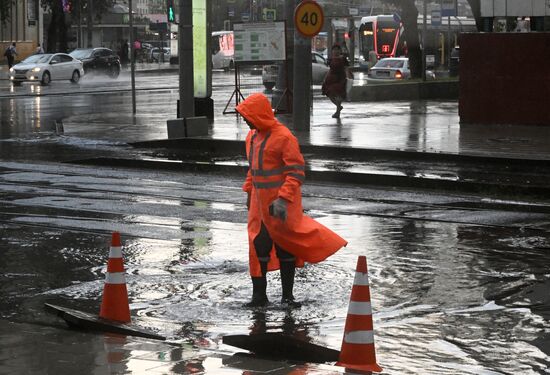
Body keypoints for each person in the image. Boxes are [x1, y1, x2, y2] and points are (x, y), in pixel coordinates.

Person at [236, 93, 348, 307]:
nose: (246, 120)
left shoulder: (284, 137)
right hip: (259, 206)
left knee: (284, 246)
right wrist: (249, 193)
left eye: (248, 116)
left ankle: (287, 297)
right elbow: (254, 169)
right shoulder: (251, 137)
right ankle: (259, 296)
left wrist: (282, 200)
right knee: (258, 246)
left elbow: (296, 172)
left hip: (281, 205)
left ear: (258, 115)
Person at [322, 44, 352, 119]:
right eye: (334, 50)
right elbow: (329, 69)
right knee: (330, 94)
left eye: (337, 50)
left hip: (340, 78)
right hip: (331, 79)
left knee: (338, 95)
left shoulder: (343, 59)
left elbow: (346, 68)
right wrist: (325, 78)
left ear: (340, 51)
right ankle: (338, 108)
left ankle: (337, 112)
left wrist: (348, 76)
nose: (336, 51)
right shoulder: (330, 59)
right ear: (332, 51)